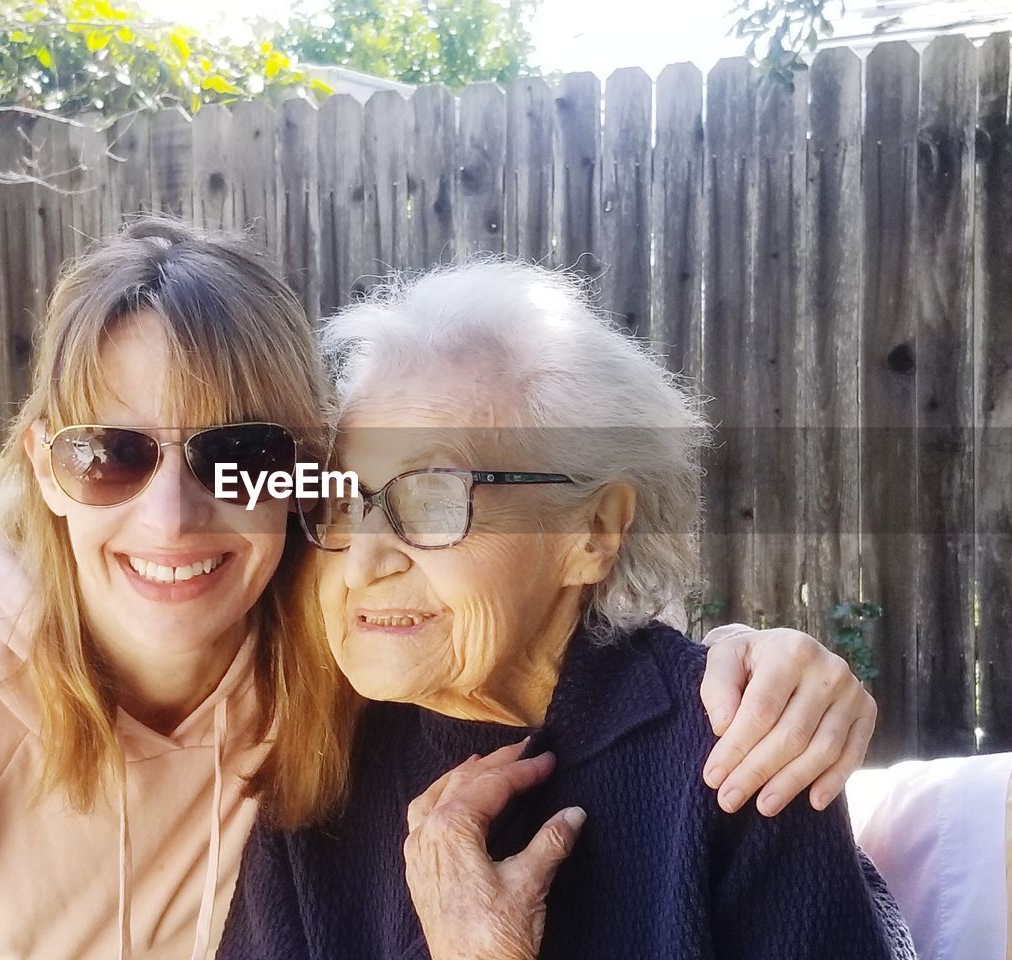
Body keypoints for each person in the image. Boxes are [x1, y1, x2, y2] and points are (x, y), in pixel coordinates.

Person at [0, 219, 878, 960]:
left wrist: (759, 662)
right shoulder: (312, 749)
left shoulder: (312, 701)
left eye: (428, 498)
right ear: (44, 462)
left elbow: (588, 655)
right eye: (109, 453)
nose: (365, 555)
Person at [218, 260, 915, 960]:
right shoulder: (318, 789)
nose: (363, 565)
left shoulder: (741, 751)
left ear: (593, 533)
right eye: (343, 503)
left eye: (432, 500)